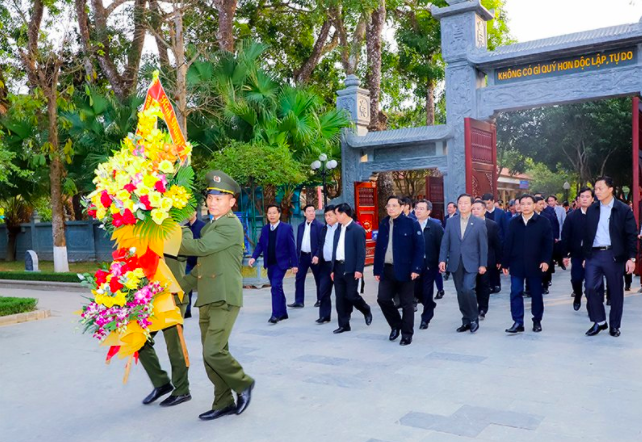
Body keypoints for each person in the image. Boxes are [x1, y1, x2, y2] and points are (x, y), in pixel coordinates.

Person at [179, 170, 255, 421]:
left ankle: (243, 383)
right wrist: (180, 287)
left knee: (213, 352)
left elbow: (198, 248)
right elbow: (202, 265)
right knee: (211, 354)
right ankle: (223, 401)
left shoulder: (230, 226)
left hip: (224, 297)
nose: (212, 202)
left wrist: (182, 229)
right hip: (208, 298)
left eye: (219, 198)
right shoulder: (213, 225)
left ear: (232, 202)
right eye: (210, 197)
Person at [583, 176, 637, 337]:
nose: (597, 191)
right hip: (594, 255)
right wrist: (585, 256)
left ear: (611, 189)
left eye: (600, 188)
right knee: (590, 288)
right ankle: (599, 321)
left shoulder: (623, 209)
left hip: (614, 255)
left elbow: (631, 235)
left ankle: (615, 325)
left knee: (615, 292)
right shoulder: (592, 209)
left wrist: (631, 258)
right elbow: (587, 234)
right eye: (596, 189)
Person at [139, 254, 191, 407]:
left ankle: (182, 390)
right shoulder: (145, 237)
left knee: (174, 347)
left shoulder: (177, 232)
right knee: (139, 341)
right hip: (151, 299)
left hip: (172, 299)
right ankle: (161, 382)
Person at [374, 196, 424, 345]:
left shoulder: (411, 224)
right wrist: (377, 270)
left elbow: (419, 248)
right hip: (387, 269)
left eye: (394, 206)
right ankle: (396, 324)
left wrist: (416, 268)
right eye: (388, 205)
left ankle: (407, 334)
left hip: (406, 269)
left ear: (402, 208)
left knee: (407, 303)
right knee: (382, 299)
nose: (390, 208)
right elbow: (379, 249)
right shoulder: (383, 223)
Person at [502, 194, 553, 333]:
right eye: (522, 203)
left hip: (536, 264)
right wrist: (504, 264)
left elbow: (548, 244)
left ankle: (537, 320)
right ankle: (518, 322)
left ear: (534, 205)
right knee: (516, 292)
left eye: (528, 203)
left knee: (536, 293)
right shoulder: (513, 223)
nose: (525, 206)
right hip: (517, 263)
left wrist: (546, 260)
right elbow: (508, 243)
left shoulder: (543, 222)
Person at [439, 193, 488, 333]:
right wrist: (442, 259)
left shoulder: (479, 222)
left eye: (466, 203)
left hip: (472, 262)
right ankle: (466, 320)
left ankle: (474, 318)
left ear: (472, 205)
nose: (463, 205)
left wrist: (483, 264)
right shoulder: (451, 221)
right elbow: (445, 242)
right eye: (460, 203)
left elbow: (483, 246)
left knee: (468, 288)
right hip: (455, 262)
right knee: (460, 292)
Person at [249, 205, 298, 324]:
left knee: (275, 286)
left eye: (274, 213)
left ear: (279, 214)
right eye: (269, 213)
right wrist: (253, 257)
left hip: (281, 263)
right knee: (277, 287)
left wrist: (295, 264)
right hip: (269, 263)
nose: (271, 215)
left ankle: (275, 314)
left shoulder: (286, 228)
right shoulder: (265, 229)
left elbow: (292, 247)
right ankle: (283, 312)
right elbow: (260, 244)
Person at [331, 203, 373, 334]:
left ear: (344, 214)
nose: (335, 216)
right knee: (340, 298)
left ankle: (365, 309)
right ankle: (344, 324)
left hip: (351, 268)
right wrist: (332, 269)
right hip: (338, 267)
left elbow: (361, 252)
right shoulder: (338, 228)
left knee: (351, 295)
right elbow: (335, 248)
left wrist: (359, 270)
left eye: (336, 214)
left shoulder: (357, 229)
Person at [561, 187, 593, 311]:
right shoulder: (571, 217)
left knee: (592, 282)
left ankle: (592, 304)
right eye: (582, 197)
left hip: (593, 254)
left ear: (592, 199)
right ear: (578, 199)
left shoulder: (597, 215)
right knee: (576, 278)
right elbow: (565, 236)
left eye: (587, 197)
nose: (584, 199)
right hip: (577, 254)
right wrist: (564, 255)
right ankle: (577, 295)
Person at [414, 199, 444, 330]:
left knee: (427, 291)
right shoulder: (411, 225)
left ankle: (426, 318)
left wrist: (441, 261)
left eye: (421, 208)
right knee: (416, 291)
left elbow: (441, 245)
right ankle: (430, 304)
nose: (418, 211)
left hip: (429, 264)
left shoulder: (435, 226)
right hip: (414, 265)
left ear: (428, 211)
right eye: (416, 208)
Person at [471, 199, 501, 319]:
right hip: (471, 260)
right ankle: (474, 307)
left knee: (484, 285)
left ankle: (483, 308)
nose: (475, 211)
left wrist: (499, 260)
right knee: (473, 286)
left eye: (478, 209)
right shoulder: (467, 224)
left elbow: (497, 243)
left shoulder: (491, 225)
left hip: (487, 260)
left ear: (484, 210)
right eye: (473, 209)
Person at [291, 204, 323, 308]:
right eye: (309, 211)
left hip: (314, 257)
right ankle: (299, 301)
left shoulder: (320, 226)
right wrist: (295, 259)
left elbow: (321, 243)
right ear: (304, 213)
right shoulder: (300, 226)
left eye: (313, 211)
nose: (312, 213)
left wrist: (317, 255)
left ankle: (320, 299)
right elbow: (298, 243)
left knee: (319, 278)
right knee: (299, 278)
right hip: (302, 256)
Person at [481, 193, 508, 293]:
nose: (486, 205)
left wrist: (504, 244)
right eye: (484, 203)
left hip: (498, 243)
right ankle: (488, 285)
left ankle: (496, 284)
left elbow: (505, 229)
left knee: (496, 265)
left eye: (488, 203)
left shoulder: (501, 213)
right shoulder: (482, 214)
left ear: (493, 201)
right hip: (486, 242)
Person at [316, 205, 339, 324]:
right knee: (323, 290)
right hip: (325, 265)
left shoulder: (341, 228)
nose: (327, 218)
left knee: (342, 292)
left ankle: (345, 314)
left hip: (338, 265)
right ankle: (324, 315)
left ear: (336, 215)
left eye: (330, 215)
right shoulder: (324, 229)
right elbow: (321, 244)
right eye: (325, 216)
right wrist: (317, 255)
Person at [535, 195, 559, 294]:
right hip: (533, 246)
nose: (542, 206)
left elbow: (555, 227)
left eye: (543, 204)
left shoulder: (548, 216)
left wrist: (555, 238)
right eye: (540, 204)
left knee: (546, 265)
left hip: (545, 244)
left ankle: (545, 285)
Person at [184, 211, 205, 319]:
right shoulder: (184, 228)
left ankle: (205, 310)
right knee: (187, 286)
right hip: (188, 261)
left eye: (190, 212)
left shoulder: (202, 227)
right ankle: (187, 310)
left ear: (196, 212)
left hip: (200, 261)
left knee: (203, 286)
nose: (188, 215)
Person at [443, 202, 457, 281]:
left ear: (455, 209)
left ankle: (448, 272)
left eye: (450, 207)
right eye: (448, 207)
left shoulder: (457, 217)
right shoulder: (446, 218)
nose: (449, 209)